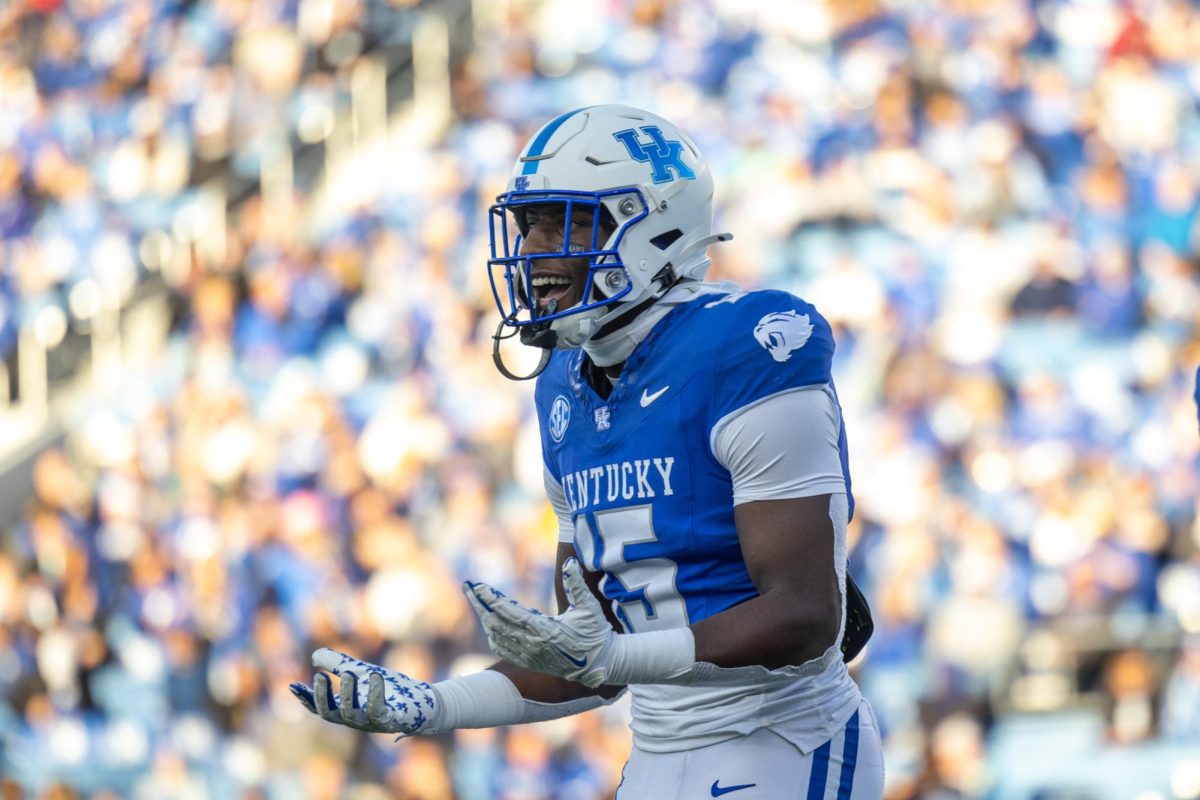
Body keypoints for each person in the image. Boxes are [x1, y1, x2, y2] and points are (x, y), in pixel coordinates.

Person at [290, 105, 885, 798]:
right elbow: (591, 661)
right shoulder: (563, 388)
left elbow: (807, 616)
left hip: (783, 741)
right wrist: (432, 705)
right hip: (661, 756)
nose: (534, 249)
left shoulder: (743, 346)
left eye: (563, 223)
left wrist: (616, 652)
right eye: (528, 224)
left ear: (651, 224)